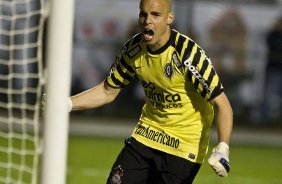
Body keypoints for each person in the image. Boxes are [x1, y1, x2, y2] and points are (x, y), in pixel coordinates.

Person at [69, 0, 233, 183]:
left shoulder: (188, 54)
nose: (148, 21)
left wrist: (223, 147)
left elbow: (222, 104)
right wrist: (65, 103)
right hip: (147, 135)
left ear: (169, 18)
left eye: (155, 15)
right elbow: (108, 91)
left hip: (184, 145)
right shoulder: (133, 50)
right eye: (143, 14)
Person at [261, 16, 282, 124]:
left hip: (277, 69)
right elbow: (272, 44)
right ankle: (264, 121)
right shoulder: (273, 35)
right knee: (268, 96)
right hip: (273, 69)